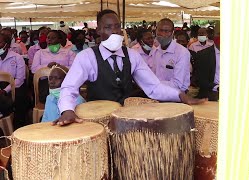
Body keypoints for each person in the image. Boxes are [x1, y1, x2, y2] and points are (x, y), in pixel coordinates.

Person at [54, 9, 205, 126]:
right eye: (107, 27)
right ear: (98, 30)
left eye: (117, 26)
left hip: (126, 120)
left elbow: (153, 87)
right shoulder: (87, 57)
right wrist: (67, 110)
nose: (114, 31)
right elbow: (69, 88)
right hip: (97, 121)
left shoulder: (132, 55)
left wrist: (180, 95)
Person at [152, 18, 191, 92]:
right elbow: (153, 75)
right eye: (160, 30)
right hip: (158, 93)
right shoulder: (155, 52)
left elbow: (177, 84)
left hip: (177, 96)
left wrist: (154, 84)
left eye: (166, 31)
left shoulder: (182, 52)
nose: (163, 34)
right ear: (156, 31)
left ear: (172, 33)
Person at [0, 33, 27, 128]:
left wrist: (4, 90)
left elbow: (19, 79)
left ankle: (17, 125)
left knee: (20, 96)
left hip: (12, 87)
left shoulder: (17, 57)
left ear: (7, 44)